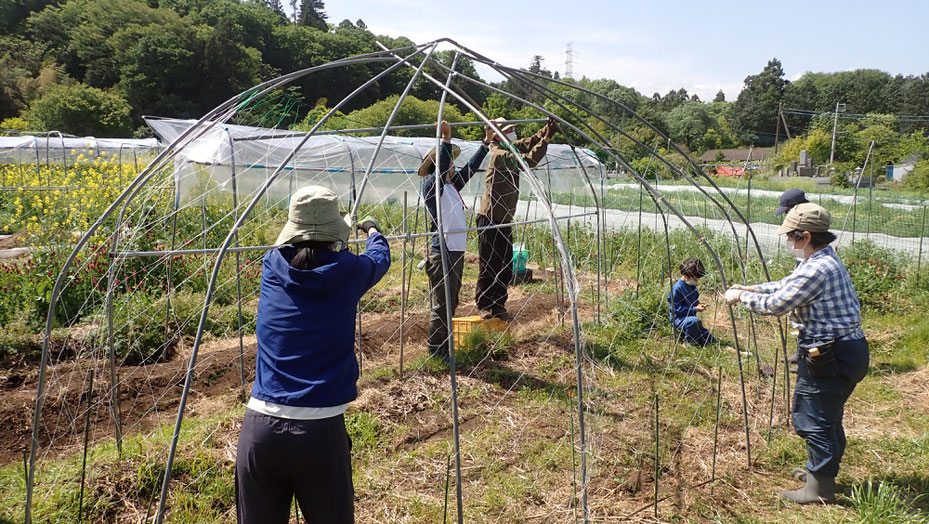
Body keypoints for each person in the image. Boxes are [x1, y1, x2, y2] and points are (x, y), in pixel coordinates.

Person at [235, 186, 390, 523]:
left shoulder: (272, 266)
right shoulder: (348, 271)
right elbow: (379, 259)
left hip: (259, 430)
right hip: (318, 434)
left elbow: (297, 256)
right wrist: (373, 231)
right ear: (334, 236)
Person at [725, 203, 869, 505]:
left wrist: (740, 296)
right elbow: (785, 286)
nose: (789, 243)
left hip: (832, 355)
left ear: (805, 236)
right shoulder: (821, 259)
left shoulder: (817, 268)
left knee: (813, 419)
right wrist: (753, 287)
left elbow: (776, 305)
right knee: (827, 416)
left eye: (791, 238)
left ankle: (819, 490)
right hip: (843, 350)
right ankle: (820, 474)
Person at [420, 120, 494, 360]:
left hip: (455, 250)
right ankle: (436, 350)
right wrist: (446, 138)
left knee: (451, 300)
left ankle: (444, 346)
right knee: (442, 303)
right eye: (449, 161)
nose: (453, 166)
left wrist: (486, 142)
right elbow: (441, 170)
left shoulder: (452, 186)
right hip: (441, 250)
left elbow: (471, 169)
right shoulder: (433, 186)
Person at [475, 116, 559, 321]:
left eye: (512, 128)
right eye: (509, 129)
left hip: (504, 218)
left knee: (505, 264)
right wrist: (546, 140)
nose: (513, 132)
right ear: (497, 134)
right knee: (489, 264)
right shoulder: (499, 154)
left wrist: (545, 130)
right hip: (490, 218)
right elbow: (527, 161)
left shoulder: (509, 147)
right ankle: (485, 305)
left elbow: (529, 142)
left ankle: (499, 305)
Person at [668, 258, 717, 346]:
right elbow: (677, 309)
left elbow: (694, 302)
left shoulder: (692, 287)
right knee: (694, 321)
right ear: (686, 275)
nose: (697, 280)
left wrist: (699, 305)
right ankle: (689, 343)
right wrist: (695, 309)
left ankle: (723, 347)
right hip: (679, 319)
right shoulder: (677, 289)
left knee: (710, 340)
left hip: (690, 319)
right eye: (695, 278)